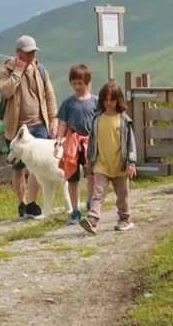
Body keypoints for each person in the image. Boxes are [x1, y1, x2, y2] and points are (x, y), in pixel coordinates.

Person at [0, 34, 59, 220]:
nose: (32, 56)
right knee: (18, 168)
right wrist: (18, 71)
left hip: (39, 124)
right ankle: (22, 203)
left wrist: (53, 120)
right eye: (28, 53)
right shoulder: (7, 70)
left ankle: (32, 203)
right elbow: (5, 91)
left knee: (37, 166)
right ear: (18, 53)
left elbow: (49, 96)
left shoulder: (41, 69)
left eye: (33, 52)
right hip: (16, 128)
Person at [80, 80, 138, 234]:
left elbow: (130, 143)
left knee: (122, 195)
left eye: (111, 100)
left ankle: (125, 219)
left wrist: (131, 163)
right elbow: (92, 142)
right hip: (101, 165)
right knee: (97, 193)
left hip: (120, 165)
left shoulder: (124, 121)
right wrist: (90, 162)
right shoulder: (97, 119)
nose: (108, 103)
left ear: (118, 100)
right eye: (105, 100)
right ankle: (92, 219)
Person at [54, 63, 97, 224]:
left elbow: (99, 124)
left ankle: (90, 202)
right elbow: (63, 124)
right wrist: (58, 142)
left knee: (91, 175)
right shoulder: (68, 103)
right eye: (74, 83)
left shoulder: (95, 102)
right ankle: (75, 210)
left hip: (89, 143)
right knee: (72, 178)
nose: (77, 86)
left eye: (80, 83)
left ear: (87, 82)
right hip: (72, 143)